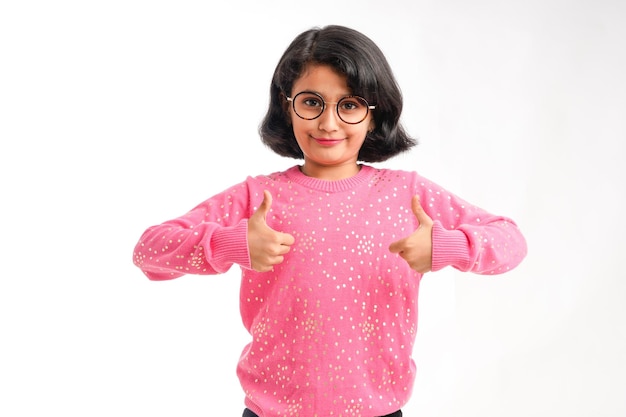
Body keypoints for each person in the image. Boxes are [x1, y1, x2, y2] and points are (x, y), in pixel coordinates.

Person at [132, 25, 527, 417]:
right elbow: (149, 250)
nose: (329, 123)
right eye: (311, 103)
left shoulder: (407, 195)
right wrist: (228, 243)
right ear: (287, 106)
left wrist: (447, 247)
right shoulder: (257, 198)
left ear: (375, 116)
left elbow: (510, 242)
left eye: (350, 105)